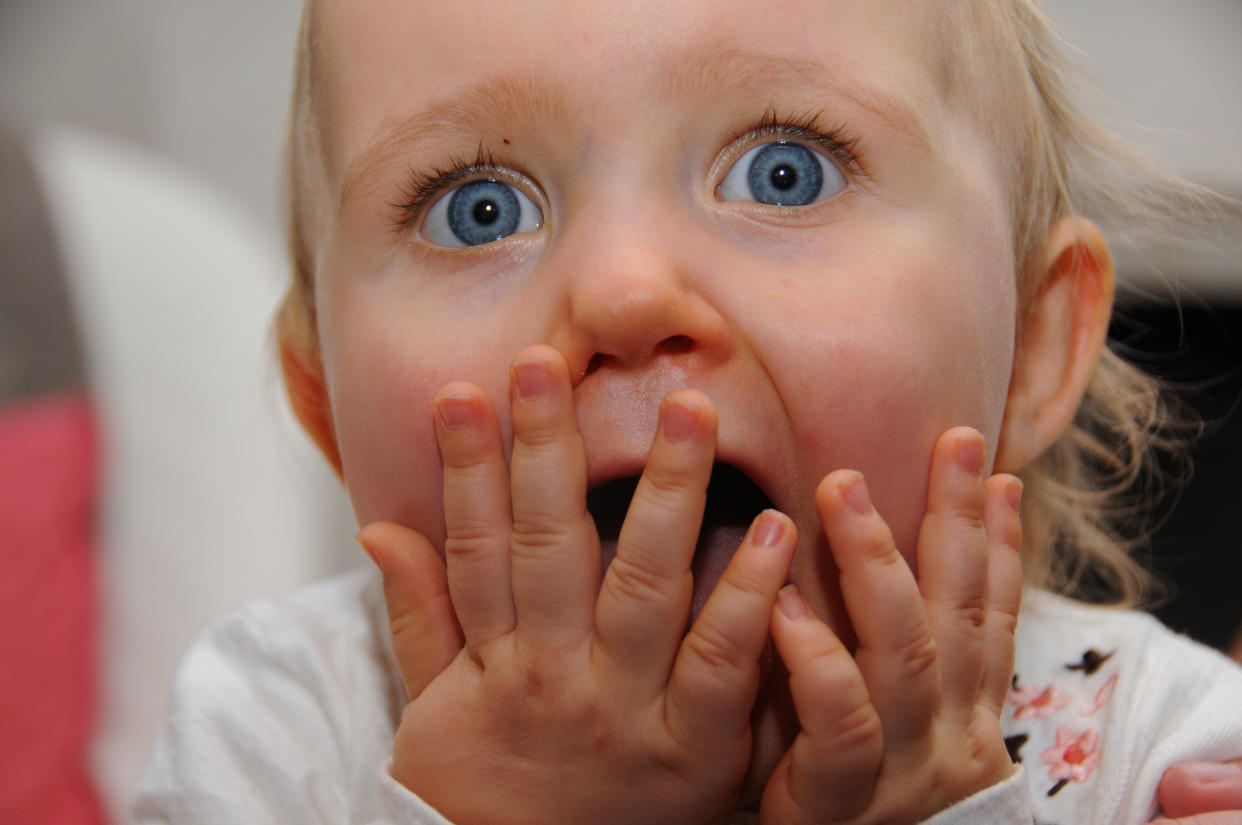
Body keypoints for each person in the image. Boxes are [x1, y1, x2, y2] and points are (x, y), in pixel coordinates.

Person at [132, 1, 1242, 823]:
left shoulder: (1151, 749)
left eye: (785, 173)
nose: (621, 292)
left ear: (1031, 351)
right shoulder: (276, 743)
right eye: (478, 210)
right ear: (329, 408)